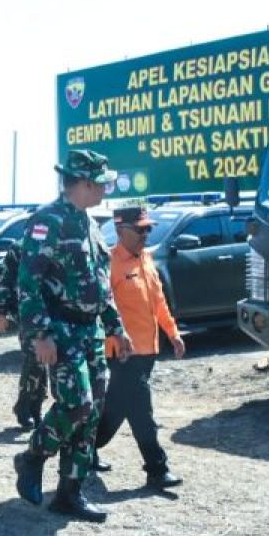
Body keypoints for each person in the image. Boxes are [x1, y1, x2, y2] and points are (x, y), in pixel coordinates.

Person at [13, 149, 132, 523]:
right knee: (75, 405)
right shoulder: (48, 221)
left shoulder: (89, 223)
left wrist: (117, 327)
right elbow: (28, 283)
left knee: (92, 411)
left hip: (90, 330)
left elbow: (100, 286)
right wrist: (41, 335)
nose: (105, 190)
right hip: (61, 330)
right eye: (101, 183)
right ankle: (32, 456)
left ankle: (70, 492)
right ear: (82, 183)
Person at [94, 205, 185, 491]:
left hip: (149, 349)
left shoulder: (147, 258)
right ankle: (157, 468)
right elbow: (101, 309)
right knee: (141, 410)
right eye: (140, 229)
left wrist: (173, 333)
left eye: (149, 229)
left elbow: (158, 302)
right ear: (121, 230)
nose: (146, 234)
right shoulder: (109, 264)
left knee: (117, 410)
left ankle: (83, 449)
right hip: (123, 352)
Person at [0, 244, 47, 430]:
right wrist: (0, 312)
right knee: (35, 359)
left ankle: (35, 408)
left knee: (45, 361)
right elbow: (5, 280)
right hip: (27, 311)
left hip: (53, 312)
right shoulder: (21, 246)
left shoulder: (60, 241)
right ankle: (25, 407)